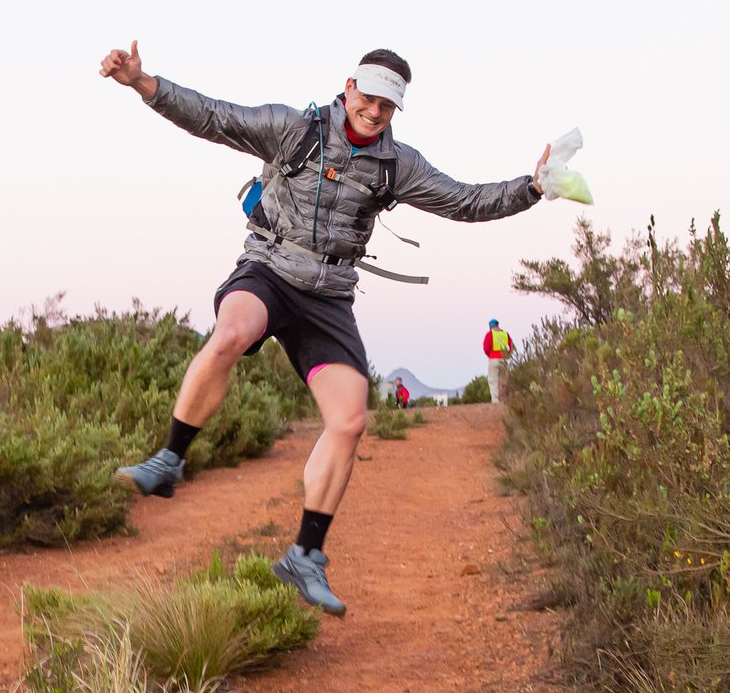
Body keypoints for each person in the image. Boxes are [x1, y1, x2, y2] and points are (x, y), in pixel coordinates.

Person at [101, 40, 547, 616]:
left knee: (351, 418)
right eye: (371, 97)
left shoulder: (397, 165)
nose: (376, 111)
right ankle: (168, 460)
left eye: (390, 105)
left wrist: (532, 189)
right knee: (233, 333)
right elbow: (213, 117)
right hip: (269, 267)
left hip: (329, 296)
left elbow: (463, 200)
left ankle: (305, 556)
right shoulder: (295, 129)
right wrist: (143, 83)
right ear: (350, 87)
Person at [483, 318, 512, 403]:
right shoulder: (505, 334)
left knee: (492, 380)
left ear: (490, 326)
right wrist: (508, 355)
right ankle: (504, 400)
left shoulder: (489, 334)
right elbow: (511, 346)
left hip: (493, 359)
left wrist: (490, 355)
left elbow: (486, 348)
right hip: (505, 359)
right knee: (504, 380)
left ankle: (495, 400)